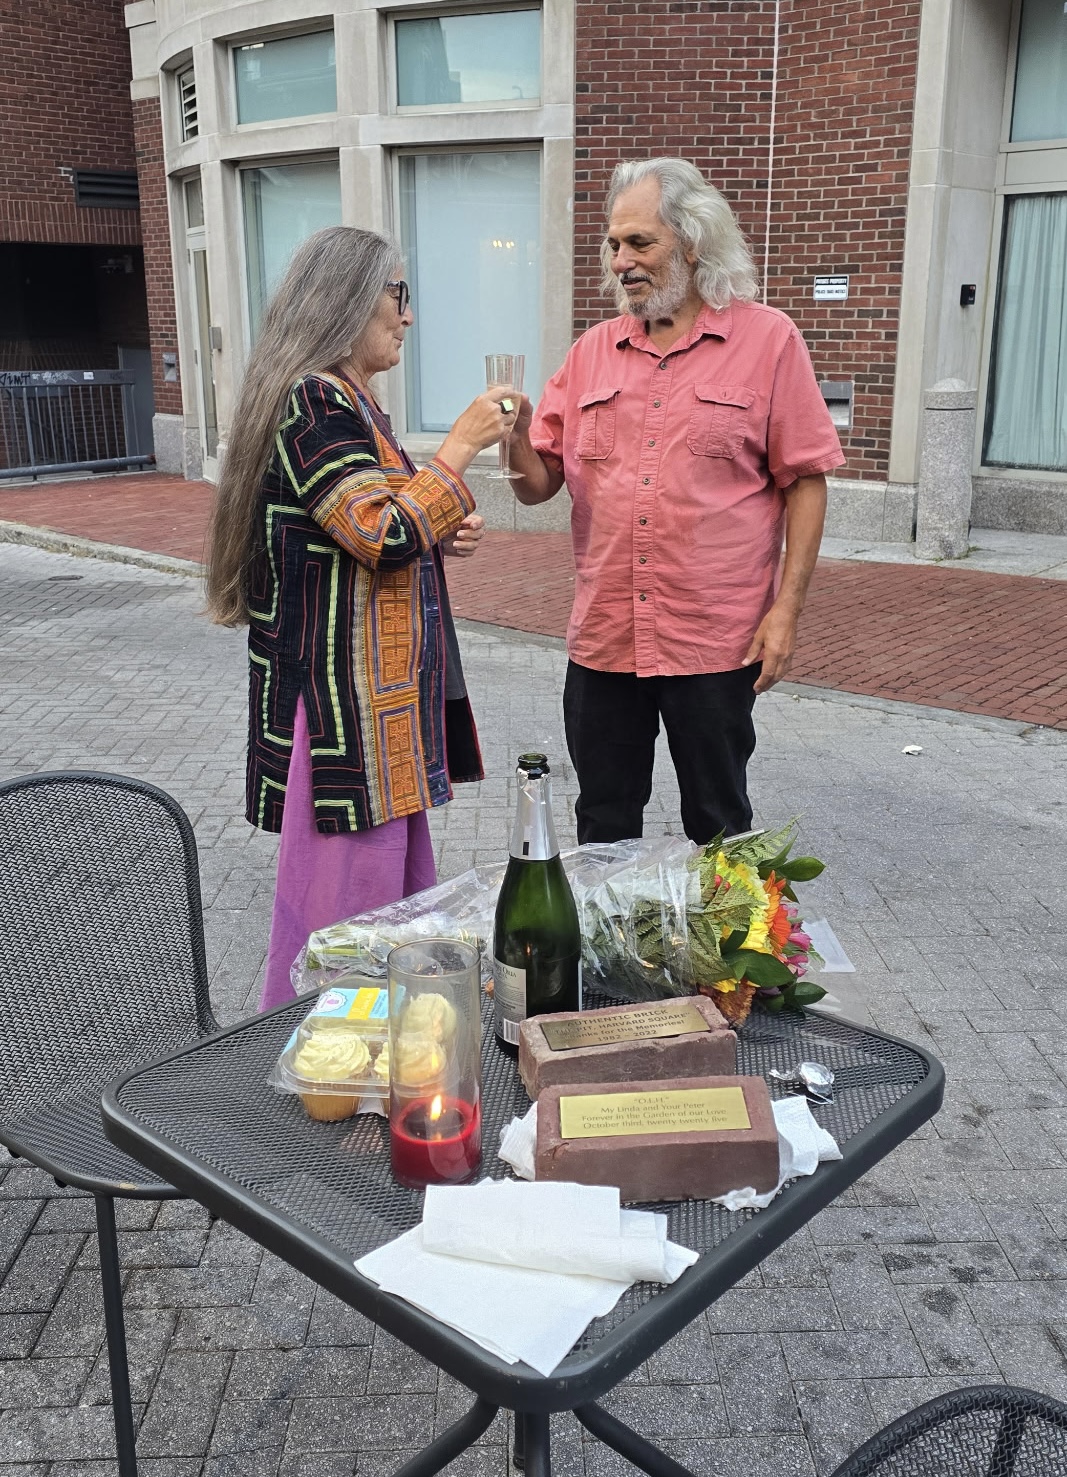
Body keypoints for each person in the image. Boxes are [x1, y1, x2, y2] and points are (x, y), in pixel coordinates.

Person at [205, 226, 519, 1009]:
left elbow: (370, 526)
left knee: (385, 914)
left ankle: (384, 1042)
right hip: (343, 719)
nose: (408, 316)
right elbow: (380, 535)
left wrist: (439, 526)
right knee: (346, 923)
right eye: (397, 294)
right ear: (348, 299)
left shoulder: (346, 401)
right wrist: (459, 449)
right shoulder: (316, 400)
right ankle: (325, 1051)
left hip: (373, 716)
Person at [507, 157, 844, 845]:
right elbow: (538, 485)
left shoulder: (768, 340)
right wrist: (512, 439)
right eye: (613, 244)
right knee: (603, 822)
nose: (620, 262)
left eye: (640, 243)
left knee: (719, 826)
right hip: (605, 636)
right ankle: (610, 923)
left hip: (714, 639)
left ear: (692, 242)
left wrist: (785, 612)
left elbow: (806, 480)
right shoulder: (591, 352)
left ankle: (722, 924)